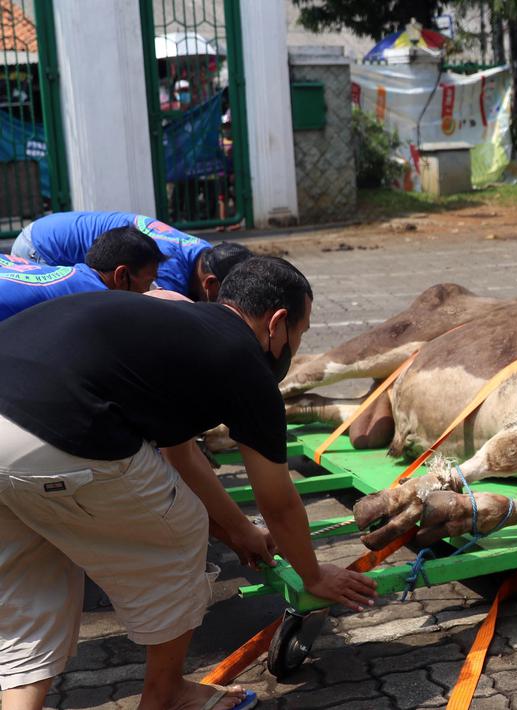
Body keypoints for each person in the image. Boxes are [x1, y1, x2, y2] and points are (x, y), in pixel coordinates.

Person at [0, 256, 377, 710]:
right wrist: (314, 574)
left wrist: (238, 529)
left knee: (33, 595)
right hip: (58, 429)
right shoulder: (244, 361)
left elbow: (181, 454)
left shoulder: (183, 329)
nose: (296, 343)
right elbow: (277, 502)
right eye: (301, 332)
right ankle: (166, 694)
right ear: (277, 324)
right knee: (182, 531)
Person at [11, 211, 252, 301]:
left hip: (52, 229)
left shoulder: (203, 250)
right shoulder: (165, 272)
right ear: (210, 285)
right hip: (41, 248)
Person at [0, 226, 164, 321]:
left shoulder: (77, 277)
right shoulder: (100, 302)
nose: (147, 291)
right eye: (147, 283)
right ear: (121, 276)